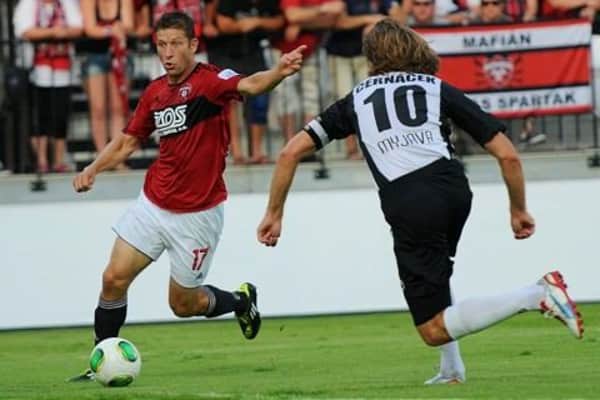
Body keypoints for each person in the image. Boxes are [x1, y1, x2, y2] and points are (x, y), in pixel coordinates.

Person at [257, 18, 584, 385]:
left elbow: (289, 153)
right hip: (453, 187)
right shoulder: (435, 87)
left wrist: (274, 213)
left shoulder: (355, 100)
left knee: (431, 329)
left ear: (371, 57)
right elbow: (508, 155)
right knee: (437, 274)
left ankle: (536, 295)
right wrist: (518, 209)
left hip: (410, 200)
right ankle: (452, 370)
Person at [69, 11, 306, 381]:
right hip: (153, 204)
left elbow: (250, 85)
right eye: (161, 45)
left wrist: (278, 72)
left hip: (198, 215)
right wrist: (93, 168)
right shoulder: (155, 93)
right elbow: (128, 141)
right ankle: (99, 360)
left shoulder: (211, 81)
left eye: (176, 44)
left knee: (182, 304)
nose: (167, 53)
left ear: (193, 45)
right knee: (113, 278)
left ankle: (240, 301)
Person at [13, 0, 83, 173]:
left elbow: (78, 27)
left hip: (63, 67)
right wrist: (52, 32)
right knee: (40, 116)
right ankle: (42, 160)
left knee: (61, 115)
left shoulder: (66, 3)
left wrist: (61, 32)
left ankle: (58, 160)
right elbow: (25, 31)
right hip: (37, 68)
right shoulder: (29, 3)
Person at [79, 0, 134, 169]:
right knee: (98, 109)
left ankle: (117, 159)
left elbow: (129, 25)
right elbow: (90, 29)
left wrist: (108, 30)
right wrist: (112, 30)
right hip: (94, 56)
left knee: (118, 108)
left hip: (120, 55)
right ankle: (101, 158)